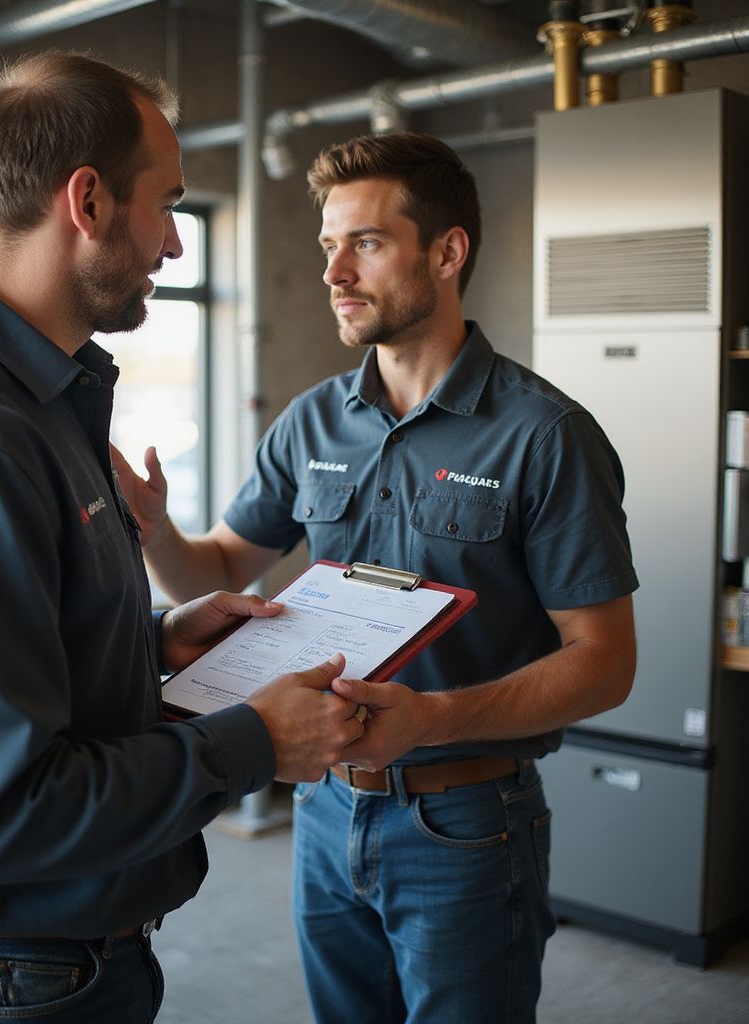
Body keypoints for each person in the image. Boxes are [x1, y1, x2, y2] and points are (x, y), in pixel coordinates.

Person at [0, 51, 367, 1024]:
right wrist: (252, 742)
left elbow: (3, 672)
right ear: (88, 201)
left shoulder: (33, 401)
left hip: (33, 965)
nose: (173, 246)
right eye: (167, 205)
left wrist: (153, 644)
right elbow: (7, 810)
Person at [112, 130, 639, 1024]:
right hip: (321, 812)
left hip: (466, 820)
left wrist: (431, 718)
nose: (334, 273)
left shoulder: (545, 435)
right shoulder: (313, 421)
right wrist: (155, 530)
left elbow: (605, 662)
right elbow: (217, 570)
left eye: (365, 242)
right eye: (328, 246)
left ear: (447, 251)